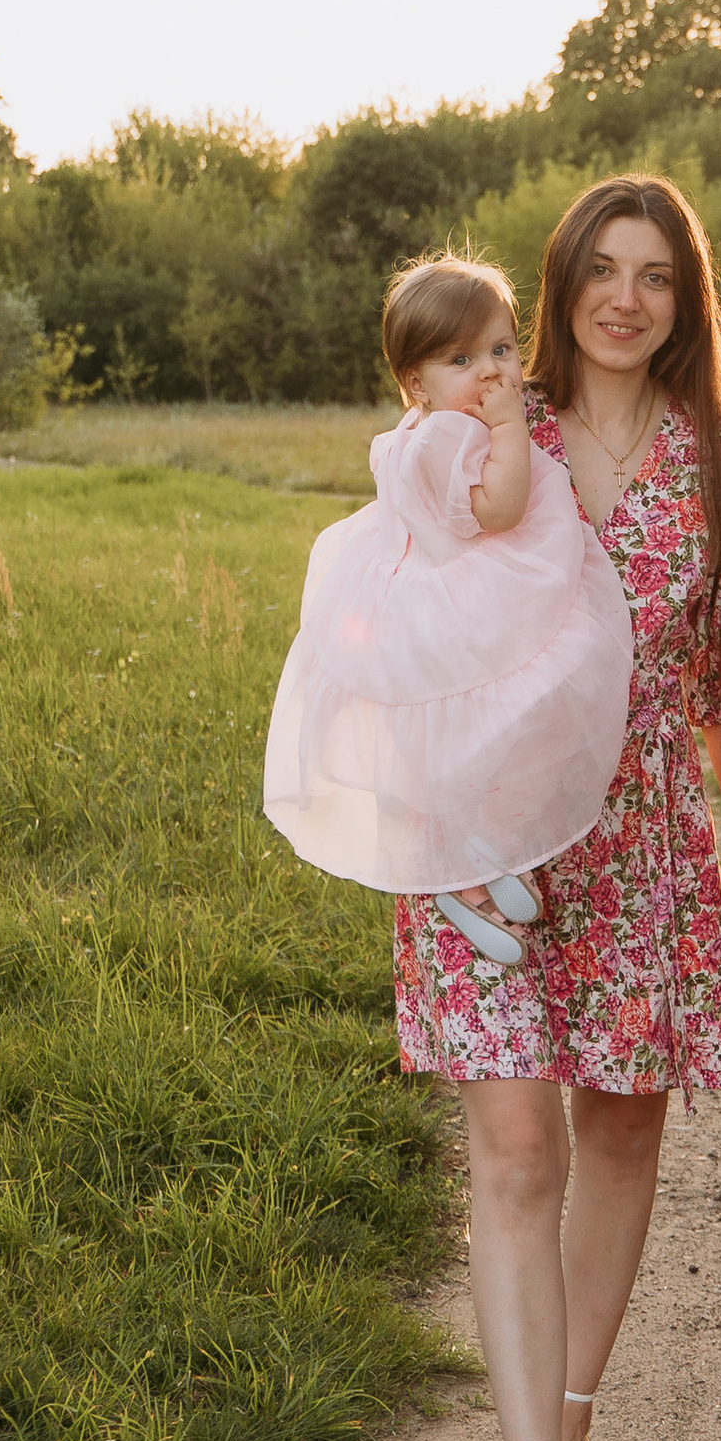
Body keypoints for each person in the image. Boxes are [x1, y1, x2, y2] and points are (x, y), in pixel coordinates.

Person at [388, 176, 721, 1441]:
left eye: (656, 275)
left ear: (686, 298)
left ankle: (576, 1415)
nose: (625, 297)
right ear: (560, 280)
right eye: (602, 268)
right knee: (518, 1149)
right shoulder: (492, 419)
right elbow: (406, 618)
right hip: (491, 825)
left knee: (617, 1130)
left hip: (648, 830)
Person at [263, 255, 635, 964]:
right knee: (525, 699)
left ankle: (474, 857)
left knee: (471, 736)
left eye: (502, 349)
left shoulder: (413, 430)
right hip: (471, 591)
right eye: (462, 359)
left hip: (426, 589)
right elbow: (499, 510)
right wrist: (510, 430)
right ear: (416, 383)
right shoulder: (454, 435)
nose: (493, 373)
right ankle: (461, 872)